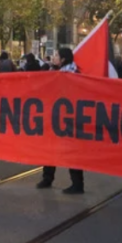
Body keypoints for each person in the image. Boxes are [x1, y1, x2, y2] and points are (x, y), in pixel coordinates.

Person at [37, 48, 85, 194]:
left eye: (56, 55)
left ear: (63, 59)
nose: (54, 57)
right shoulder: (54, 73)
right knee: (50, 148)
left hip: (70, 119)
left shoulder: (74, 75)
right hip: (54, 118)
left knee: (71, 151)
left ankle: (77, 184)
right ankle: (47, 178)